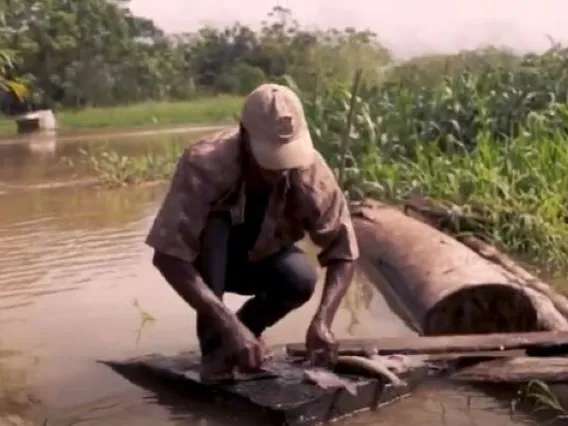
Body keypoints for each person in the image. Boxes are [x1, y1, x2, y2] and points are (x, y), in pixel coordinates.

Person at [146, 83, 359, 381]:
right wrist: (226, 323)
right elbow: (167, 256)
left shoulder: (311, 172)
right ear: (245, 136)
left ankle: (245, 337)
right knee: (215, 227)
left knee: (301, 277)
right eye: (271, 162)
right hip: (209, 263)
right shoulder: (205, 164)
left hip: (262, 259)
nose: (280, 171)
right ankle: (215, 347)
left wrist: (323, 320)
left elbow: (343, 251)